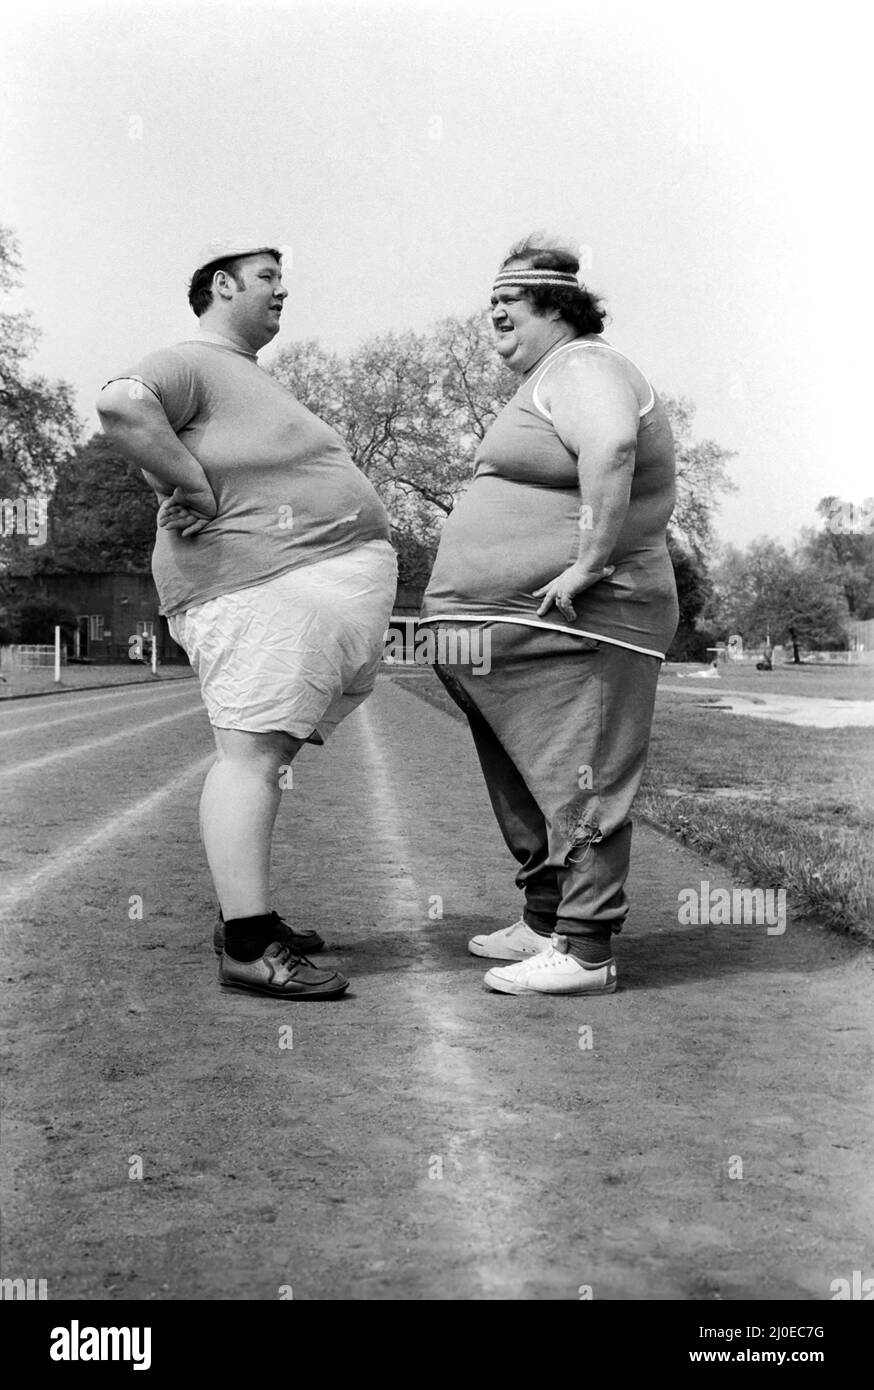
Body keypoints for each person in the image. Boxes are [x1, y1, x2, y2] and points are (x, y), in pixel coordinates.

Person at [97, 241, 397, 1000]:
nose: (283, 290)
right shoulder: (190, 358)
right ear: (222, 285)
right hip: (253, 582)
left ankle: (252, 914)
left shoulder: (243, 376)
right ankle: (248, 943)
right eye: (269, 277)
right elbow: (121, 403)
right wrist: (194, 486)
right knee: (250, 758)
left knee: (266, 756)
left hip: (287, 583)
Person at [420, 236, 678, 996]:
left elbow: (613, 444)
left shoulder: (586, 365)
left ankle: (588, 948)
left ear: (559, 307)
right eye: (489, 300)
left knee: (583, 776)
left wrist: (590, 560)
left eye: (512, 300)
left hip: (587, 624)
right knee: (530, 778)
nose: (493, 311)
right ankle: (544, 918)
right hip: (512, 633)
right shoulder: (547, 376)